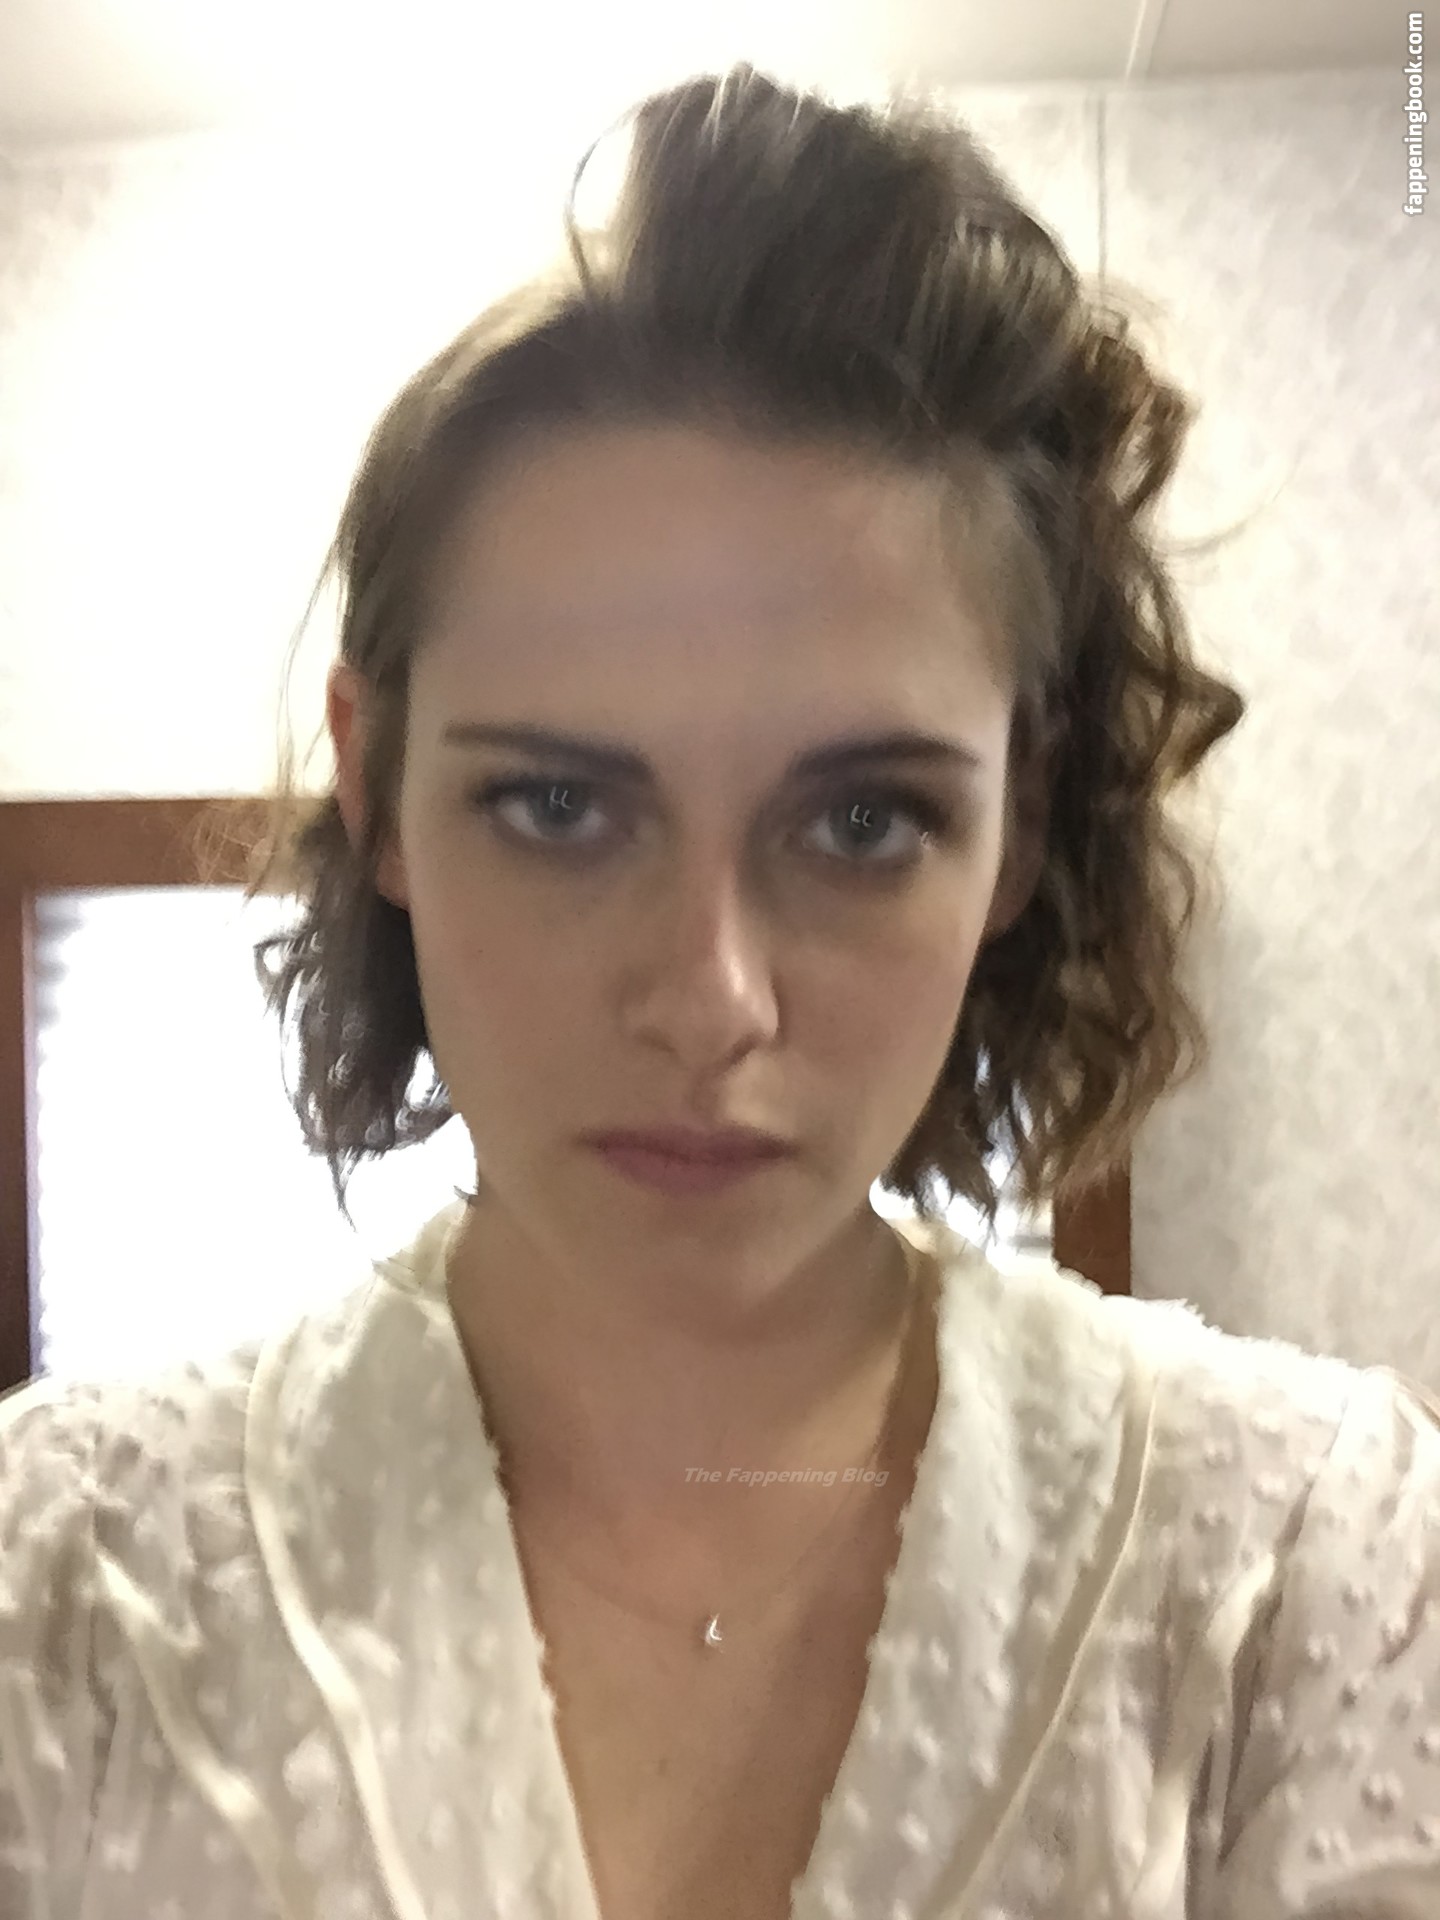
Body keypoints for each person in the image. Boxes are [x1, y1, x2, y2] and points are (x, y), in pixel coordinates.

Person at [2, 59, 1438, 1920]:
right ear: (376, 788)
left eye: (862, 821)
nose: (711, 1001)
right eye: (557, 805)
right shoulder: (57, 1588)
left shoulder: (1310, 1574)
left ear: (1017, 828)